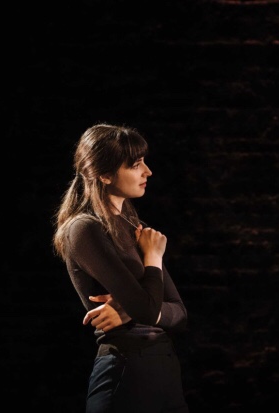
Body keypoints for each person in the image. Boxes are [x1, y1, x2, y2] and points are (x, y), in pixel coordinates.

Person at [52, 123, 190, 413]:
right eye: (136, 165)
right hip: (126, 370)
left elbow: (179, 313)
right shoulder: (84, 228)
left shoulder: (134, 228)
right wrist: (153, 258)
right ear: (104, 175)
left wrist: (130, 308)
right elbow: (150, 311)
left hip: (163, 368)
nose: (148, 172)